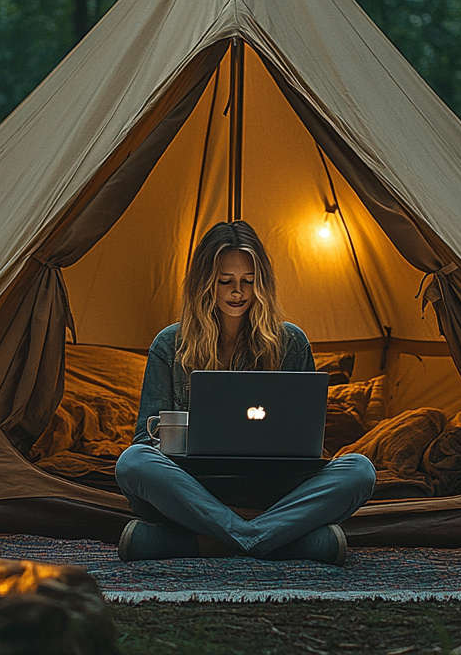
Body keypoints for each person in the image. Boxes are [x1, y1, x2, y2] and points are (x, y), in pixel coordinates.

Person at [115, 221, 377, 564]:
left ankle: (214, 541)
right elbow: (143, 440)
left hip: (272, 490)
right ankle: (270, 538)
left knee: (360, 471)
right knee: (132, 462)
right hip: (195, 489)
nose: (237, 292)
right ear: (204, 284)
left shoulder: (291, 343)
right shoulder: (170, 345)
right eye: (225, 281)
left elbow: (307, 439)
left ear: (262, 285)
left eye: (248, 281)